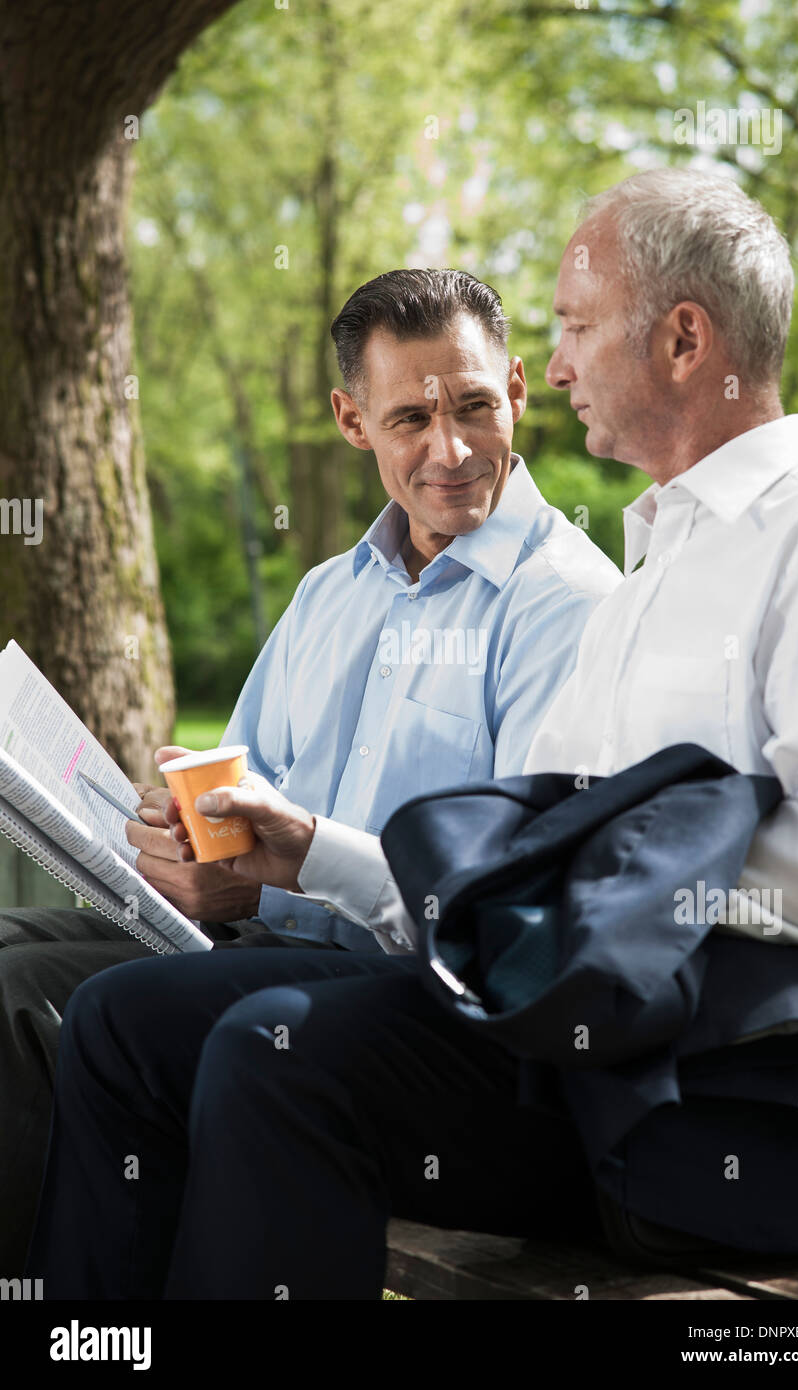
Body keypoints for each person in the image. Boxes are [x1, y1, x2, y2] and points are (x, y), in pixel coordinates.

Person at [28, 170, 798, 1299]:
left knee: (272, 1054)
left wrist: (620, 876)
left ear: (681, 339)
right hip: (579, 1052)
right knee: (135, 1018)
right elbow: (501, 879)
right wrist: (305, 857)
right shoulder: (647, 577)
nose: (557, 367)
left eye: (574, 328)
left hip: (715, 1099)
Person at [0, 268, 619, 1269]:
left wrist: (295, 859)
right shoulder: (328, 594)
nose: (447, 449)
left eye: (470, 405)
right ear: (351, 420)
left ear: (515, 389)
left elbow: (509, 900)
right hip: (249, 942)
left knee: (76, 1004)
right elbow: (236, 800)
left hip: (408, 992)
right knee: (7, 958)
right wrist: (188, 846)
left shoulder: (564, 606)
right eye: (408, 416)